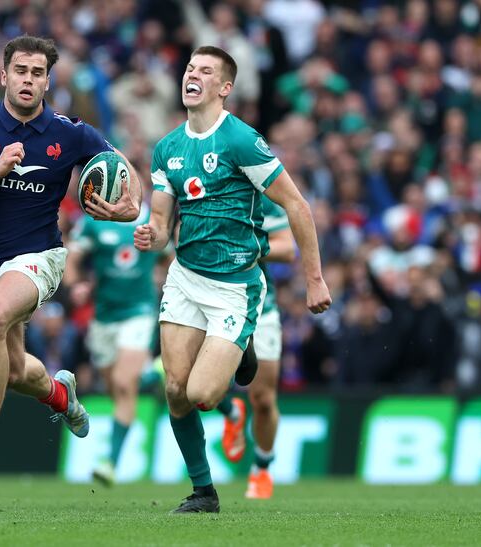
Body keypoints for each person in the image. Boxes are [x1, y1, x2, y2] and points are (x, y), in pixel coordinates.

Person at [0, 35, 141, 480]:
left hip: (38, 257)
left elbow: (122, 166)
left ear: (48, 82)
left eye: (38, 73)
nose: (28, 80)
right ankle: (60, 395)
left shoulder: (70, 132)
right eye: (21, 71)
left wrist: (131, 205)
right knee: (13, 371)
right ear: (4, 76)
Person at [134, 45, 330, 513]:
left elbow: (297, 205)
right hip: (185, 277)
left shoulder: (241, 140)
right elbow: (161, 224)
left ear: (224, 88)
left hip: (235, 286)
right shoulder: (167, 148)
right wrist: (151, 234)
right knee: (175, 390)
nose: (192, 75)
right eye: (189, 68)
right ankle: (204, 492)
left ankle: (242, 351)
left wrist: (314, 279)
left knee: (203, 395)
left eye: (205, 71)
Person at [64, 203, 164, 486]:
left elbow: (169, 254)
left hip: (139, 310)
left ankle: (110, 462)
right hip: (104, 315)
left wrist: (165, 279)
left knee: (123, 381)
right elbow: (72, 258)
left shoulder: (152, 218)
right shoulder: (93, 221)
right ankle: (155, 374)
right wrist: (76, 286)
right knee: (116, 390)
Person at [215, 195, 295, 500]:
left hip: (260, 306)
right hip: (213, 303)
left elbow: (287, 249)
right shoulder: (202, 189)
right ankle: (231, 412)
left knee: (262, 398)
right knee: (189, 378)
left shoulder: (262, 200)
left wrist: (244, 247)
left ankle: (262, 466)